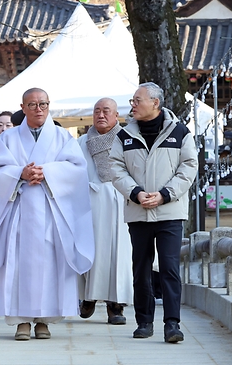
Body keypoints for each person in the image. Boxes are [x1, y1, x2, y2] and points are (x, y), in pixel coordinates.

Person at [0, 88, 94, 341]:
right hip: (19, 210)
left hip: (51, 211)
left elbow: (76, 169)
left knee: (51, 263)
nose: (38, 108)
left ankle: (44, 320)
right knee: (17, 264)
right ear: (23, 107)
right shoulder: (9, 138)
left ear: (49, 106)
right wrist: (20, 173)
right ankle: (21, 321)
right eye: (32, 104)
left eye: (43, 104)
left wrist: (47, 172)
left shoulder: (62, 136)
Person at [110, 82, 197, 344]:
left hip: (169, 211)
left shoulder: (180, 132)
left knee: (170, 268)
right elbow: (115, 168)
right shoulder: (124, 135)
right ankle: (144, 321)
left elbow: (189, 166)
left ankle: (172, 324)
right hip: (138, 212)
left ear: (155, 103)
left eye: (137, 100)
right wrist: (135, 192)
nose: (132, 105)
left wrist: (165, 194)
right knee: (141, 268)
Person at [77, 98, 133, 325]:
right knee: (91, 251)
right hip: (89, 202)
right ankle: (88, 297)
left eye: (106, 111)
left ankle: (116, 305)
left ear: (116, 115)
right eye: (97, 111)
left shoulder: (128, 140)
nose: (101, 115)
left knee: (119, 254)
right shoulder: (81, 142)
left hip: (121, 200)